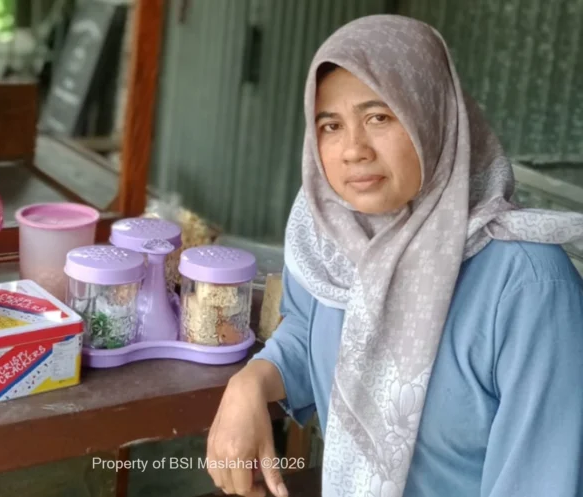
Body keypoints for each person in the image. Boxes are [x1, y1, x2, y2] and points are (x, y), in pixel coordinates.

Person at [205, 14, 583, 497]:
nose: (353, 150)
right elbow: (307, 328)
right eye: (330, 125)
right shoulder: (329, 235)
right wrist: (252, 382)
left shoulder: (528, 285)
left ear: (434, 118)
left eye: (379, 117)